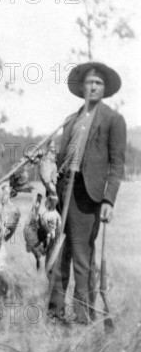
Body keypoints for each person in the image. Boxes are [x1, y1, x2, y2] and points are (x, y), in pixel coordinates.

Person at [48, 62, 126, 324]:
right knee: (58, 253)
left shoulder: (113, 120)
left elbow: (117, 165)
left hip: (87, 193)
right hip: (62, 190)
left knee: (82, 256)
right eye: (90, 82)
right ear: (82, 87)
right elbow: (59, 156)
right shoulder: (71, 119)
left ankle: (83, 317)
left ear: (104, 89)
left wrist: (109, 200)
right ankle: (56, 314)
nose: (93, 87)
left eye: (98, 83)